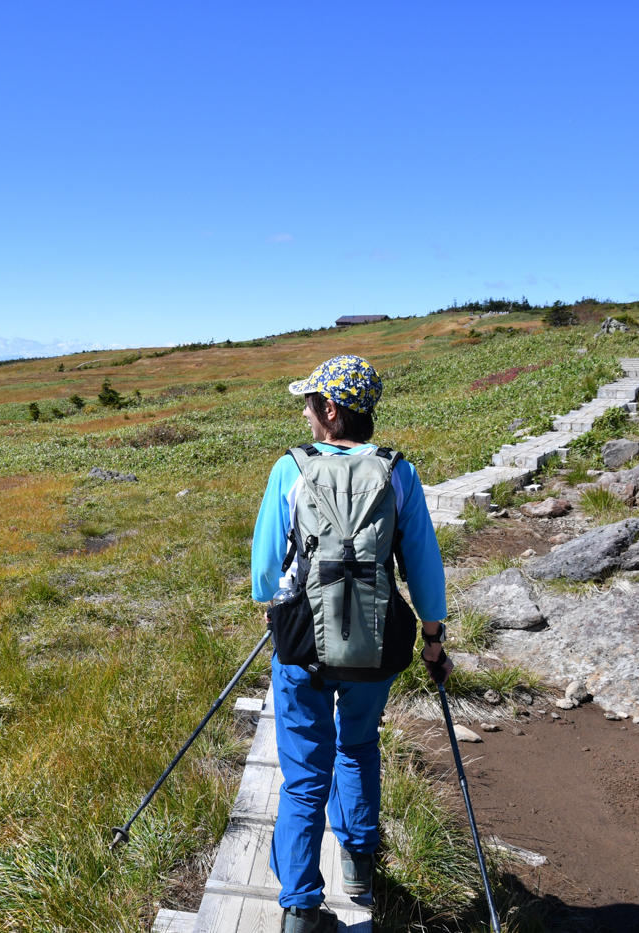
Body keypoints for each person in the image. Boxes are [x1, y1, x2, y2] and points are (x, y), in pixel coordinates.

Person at [251, 355, 453, 933]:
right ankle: (359, 864)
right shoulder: (399, 473)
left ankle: (299, 909)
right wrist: (433, 642)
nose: (306, 412)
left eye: (310, 402)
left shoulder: (290, 470)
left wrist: (280, 601)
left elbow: (264, 572)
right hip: (376, 641)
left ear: (331, 410)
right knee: (358, 746)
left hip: (303, 650)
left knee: (304, 777)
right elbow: (425, 571)